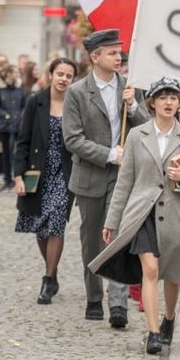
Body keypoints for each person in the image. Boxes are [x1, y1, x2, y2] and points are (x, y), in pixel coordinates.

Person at [91, 77, 180, 354]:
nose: (168, 102)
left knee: (173, 274)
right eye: (163, 97)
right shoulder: (136, 135)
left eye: (174, 97)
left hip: (174, 215)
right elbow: (125, 180)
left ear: (179, 103)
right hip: (142, 214)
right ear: (151, 102)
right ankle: (153, 333)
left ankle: (169, 318)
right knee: (150, 270)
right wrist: (111, 220)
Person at [63, 29, 146, 327]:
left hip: (123, 177)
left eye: (119, 51)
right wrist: (111, 154)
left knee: (119, 236)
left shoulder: (130, 88)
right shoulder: (76, 92)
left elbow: (146, 126)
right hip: (91, 175)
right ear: (94, 57)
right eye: (112, 52)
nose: (119, 56)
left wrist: (133, 107)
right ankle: (94, 297)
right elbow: (72, 139)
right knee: (92, 239)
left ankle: (118, 303)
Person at [14, 58, 78, 304]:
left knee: (56, 224)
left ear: (73, 80)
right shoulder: (36, 101)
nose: (63, 79)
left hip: (66, 172)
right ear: (51, 74)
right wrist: (18, 175)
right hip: (38, 171)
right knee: (40, 228)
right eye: (59, 73)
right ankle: (53, 271)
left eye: (68, 75)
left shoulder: (75, 104)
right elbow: (23, 140)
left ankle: (48, 278)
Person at [0, 66, 25, 190]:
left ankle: (16, 178)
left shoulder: (20, 88)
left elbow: (25, 105)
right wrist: (4, 115)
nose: (17, 74)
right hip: (3, 127)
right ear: (9, 73)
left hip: (18, 126)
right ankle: (7, 179)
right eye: (15, 72)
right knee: (5, 153)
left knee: (17, 153)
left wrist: (20, 116)